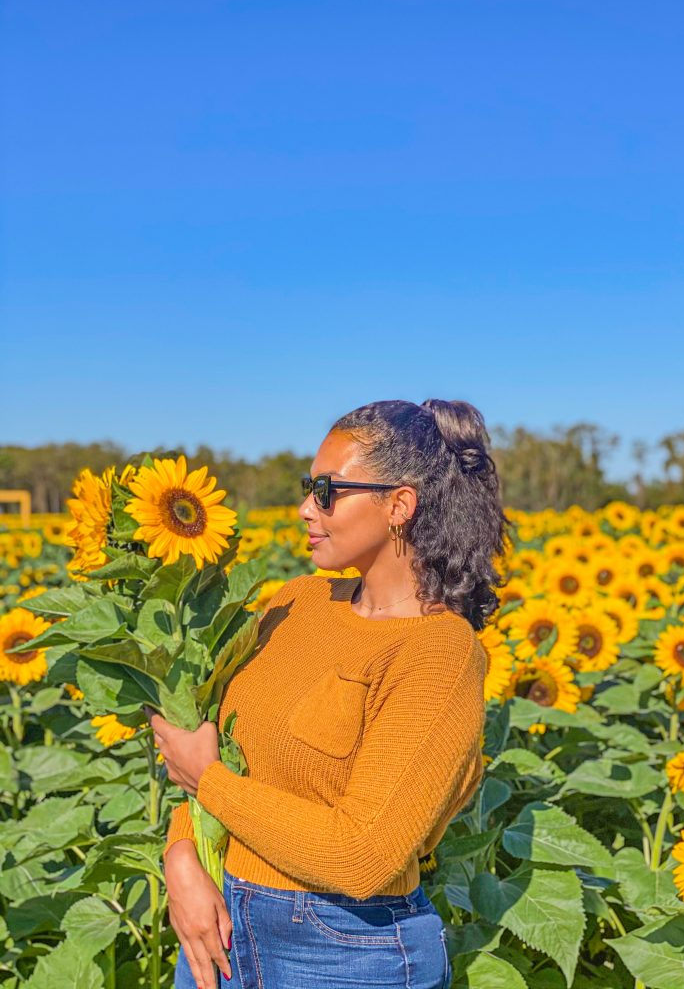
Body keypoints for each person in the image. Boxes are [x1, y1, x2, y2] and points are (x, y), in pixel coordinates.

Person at [151, 399, 509, 989]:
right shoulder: (295, 601)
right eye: (307, 487)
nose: (305, 508)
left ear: (399, 505)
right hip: (215, 930)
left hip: (346, 950)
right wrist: (182, 858)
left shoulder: (438, 654)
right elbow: (213, 737)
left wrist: (207, 783)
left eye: (326, 491)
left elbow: (362, 855)